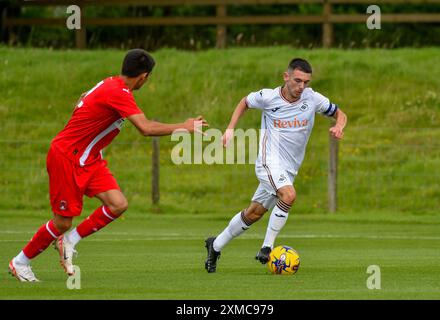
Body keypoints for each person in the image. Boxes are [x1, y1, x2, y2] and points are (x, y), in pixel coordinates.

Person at [9, 49, 208, 282]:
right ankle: (20, 262)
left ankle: (70, 240)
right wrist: (185, 126)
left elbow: (83, 100)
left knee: (118, 204)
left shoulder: (111, 84)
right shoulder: (119, 93)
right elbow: (146, 128)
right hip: (67, 157)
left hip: (89, 158)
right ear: (143, 76)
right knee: (62, 221)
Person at [204, 58, 347, 273]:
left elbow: (340, 113)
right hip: (268, 162)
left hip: (289, 168)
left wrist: (339, 125)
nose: (301, 87)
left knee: (254, 213)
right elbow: (244, 102)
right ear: (286, 76)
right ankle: (267, 247)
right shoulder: (268, 97)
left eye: (306, 82)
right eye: (297, 80)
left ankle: (215, 245)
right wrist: (230, 128)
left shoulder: (312, 98)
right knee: (288, 195)